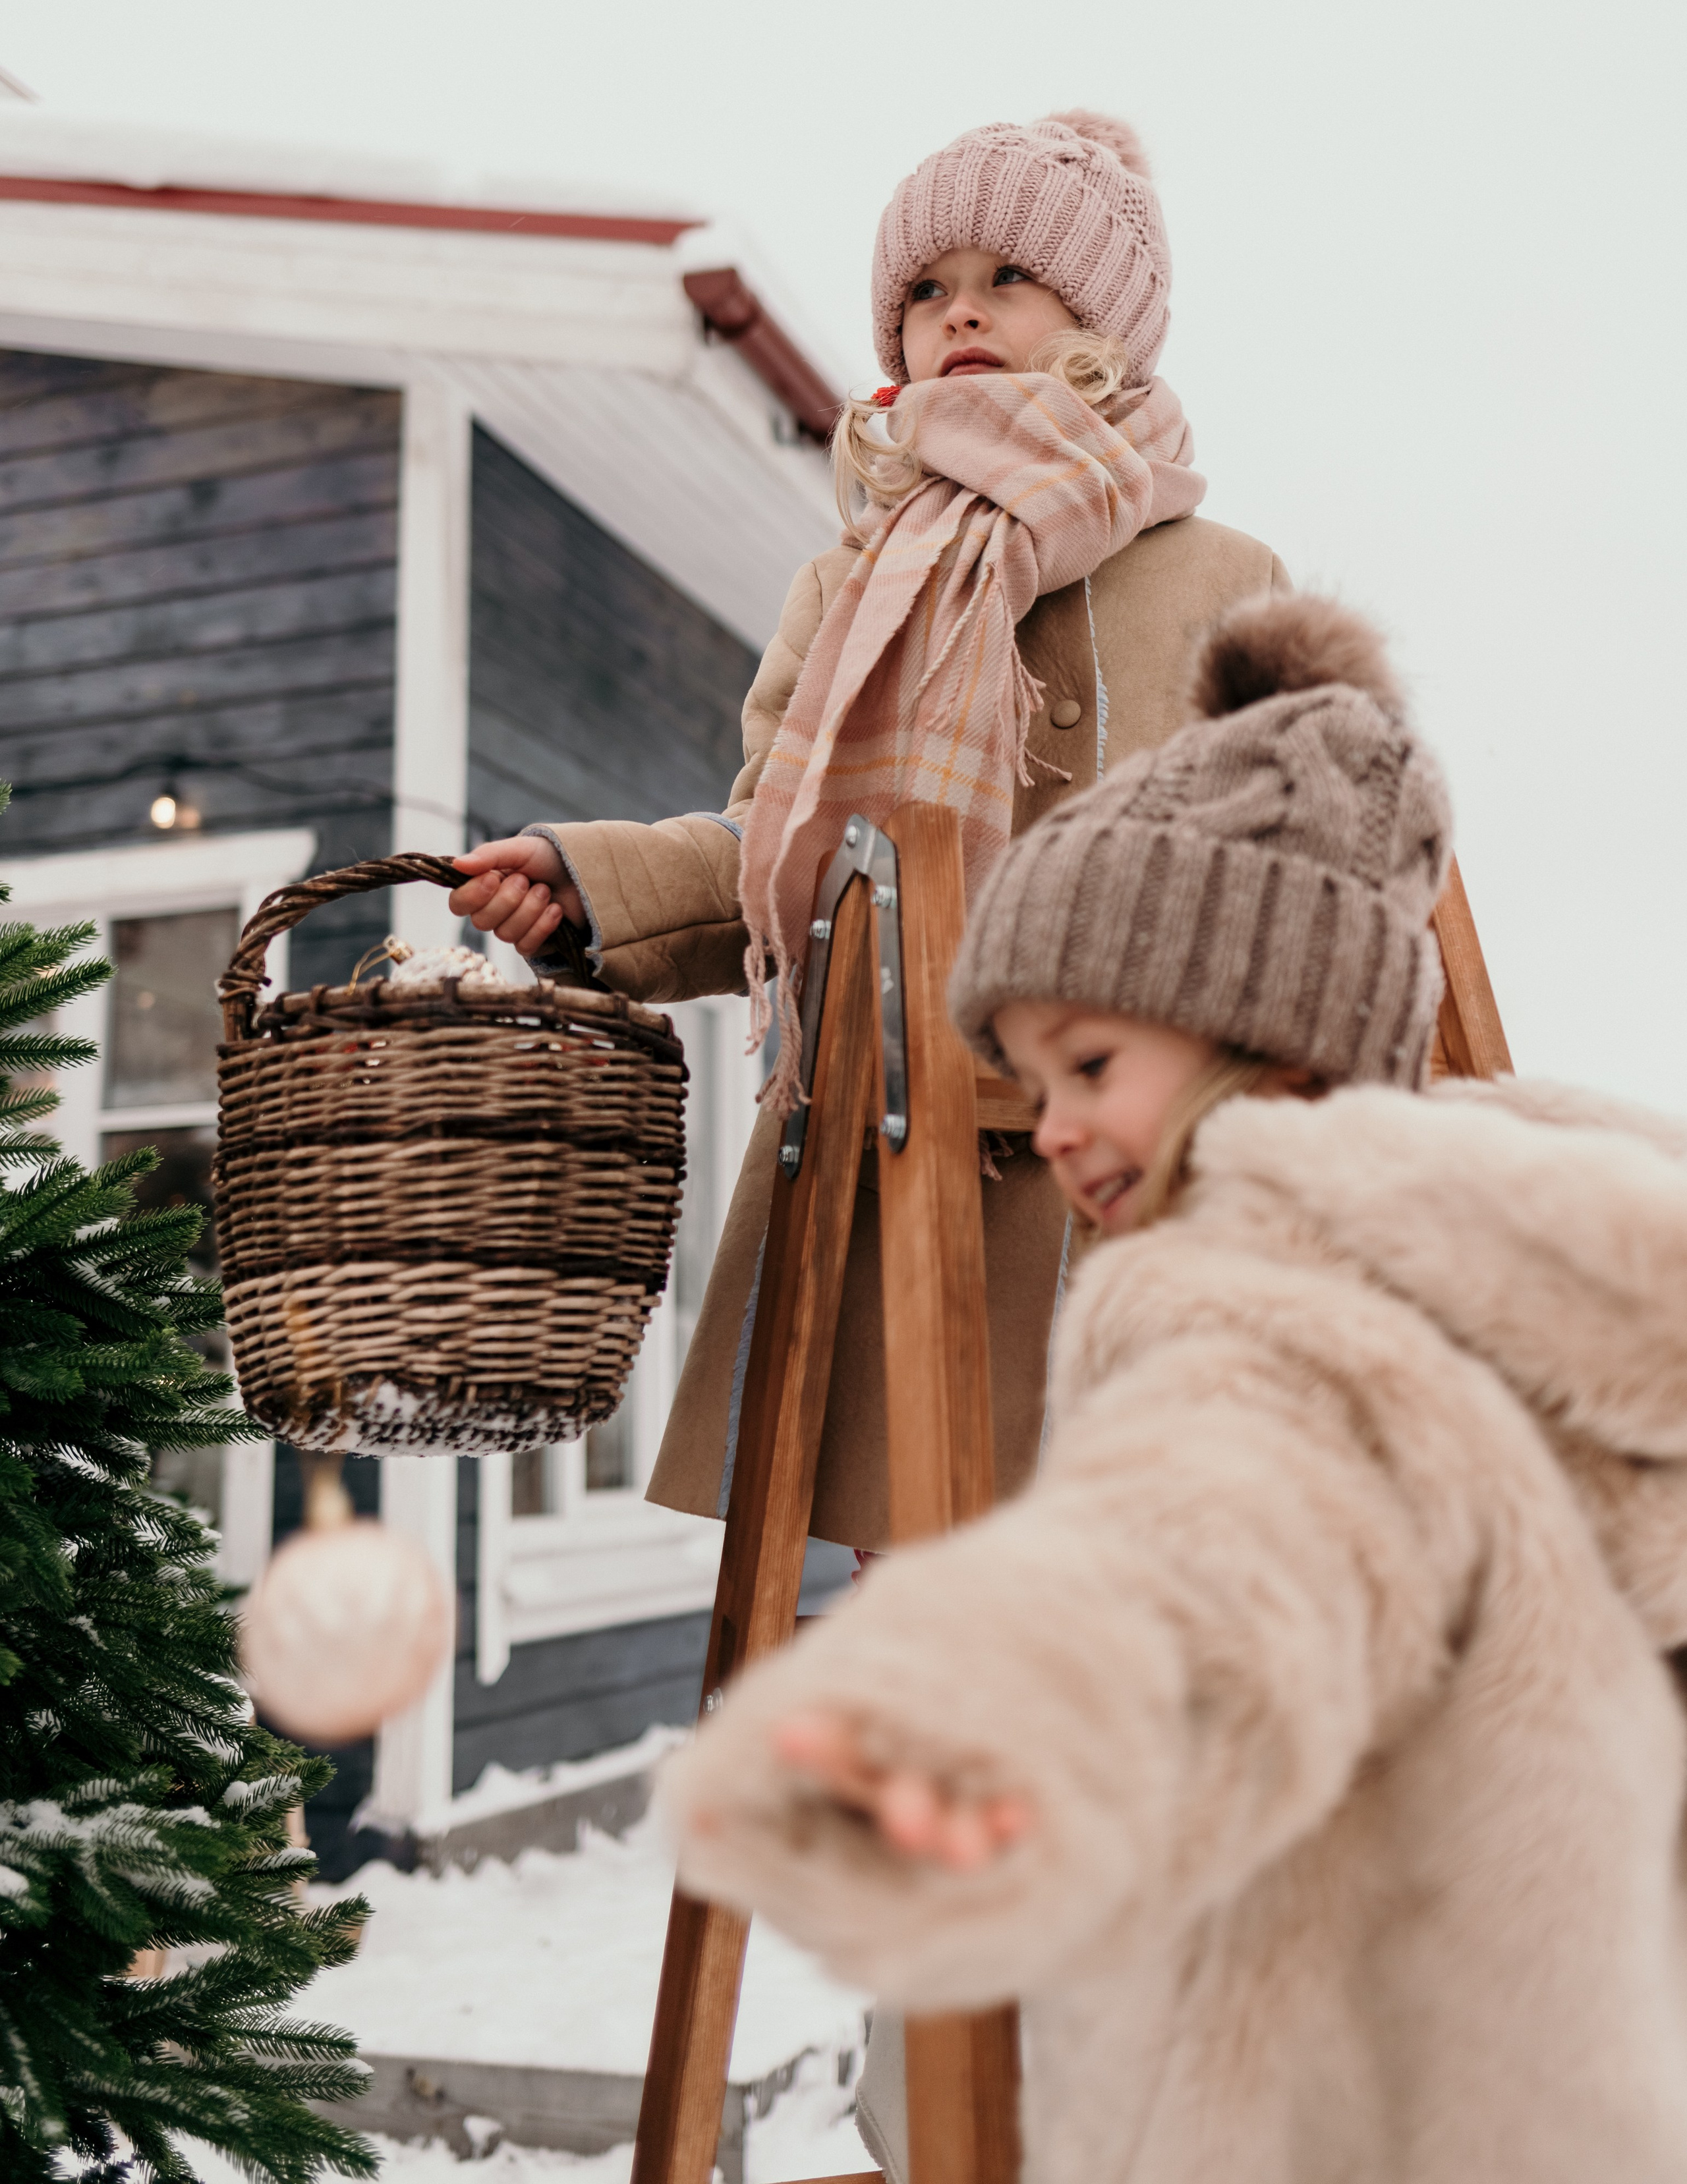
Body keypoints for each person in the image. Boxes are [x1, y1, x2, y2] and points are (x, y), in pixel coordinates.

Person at [660, 593, 1687, 2183]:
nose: (1050, 1126)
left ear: (1266, 1046)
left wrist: (983, 1726)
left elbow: (1208, 1562)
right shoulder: (1551, 1247)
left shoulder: (1256, 1295)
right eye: (1025, 1074)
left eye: (1089, 1065)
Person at [449, 109, 1290, 1553]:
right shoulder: (854, 587)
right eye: (921, 287)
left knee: (1147, 1588)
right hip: (895, 1165)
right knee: (929, 1603)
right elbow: (780, 858)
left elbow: (1293, 877)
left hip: (1134, 1183)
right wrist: (597, 890)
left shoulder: (1222, 575)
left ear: (1104, 319)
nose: (955, 308)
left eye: (1007, 275)